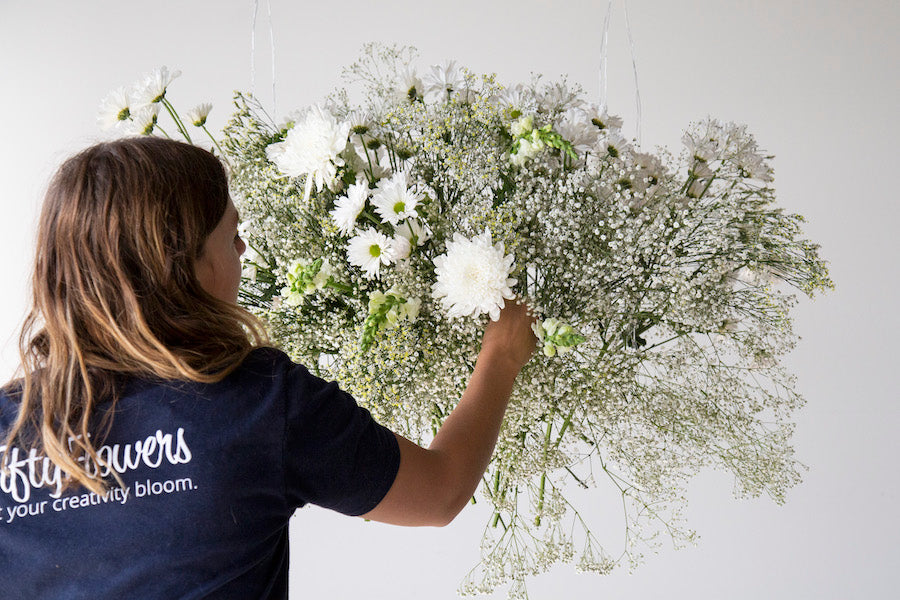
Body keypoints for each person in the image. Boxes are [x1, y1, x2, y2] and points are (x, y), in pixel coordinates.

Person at [0, 136, 536, 598]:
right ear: (181, 264)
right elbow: (440, 491)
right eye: (230, 235)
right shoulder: (258, 400)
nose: (243, 248)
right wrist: (502, 356)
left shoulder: (7, 427)